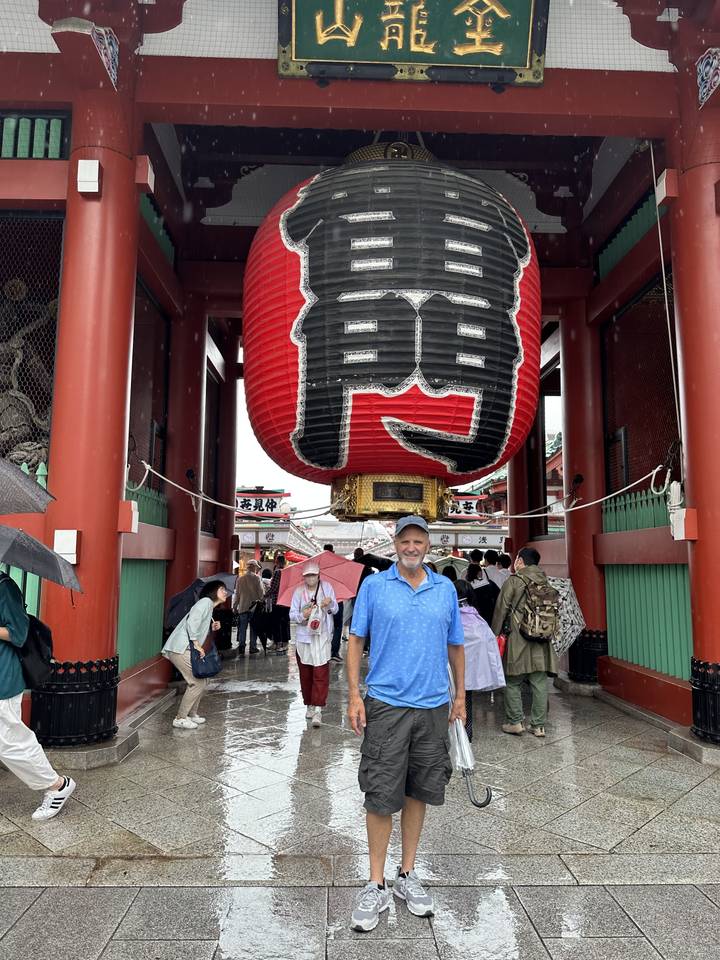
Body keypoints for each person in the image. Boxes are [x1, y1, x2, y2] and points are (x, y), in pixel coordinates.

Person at [346, 515, 465, 932]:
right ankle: (375, 882)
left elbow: (455, 645)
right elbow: (356, 640)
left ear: (428, 546)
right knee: (380, 791)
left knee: (420, 789)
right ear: (394, 544)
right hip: (386, 704)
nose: (412, 547)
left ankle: (406, 875)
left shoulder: (444, 589)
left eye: (419, 541)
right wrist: (355, 695)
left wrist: (461, 697)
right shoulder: (375, 587)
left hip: (434, 706)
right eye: (405, 541)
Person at [0, 572, 77, 821]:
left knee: (10, 740)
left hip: (3, 677)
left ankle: (57, 785)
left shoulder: (5, 587)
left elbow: (19, 634)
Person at [491, 546, 558, 739]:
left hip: (518, 637)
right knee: (539, 681)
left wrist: (494, 634)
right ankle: (538, 726)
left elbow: (501, 609)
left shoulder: (515, 580)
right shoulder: (546, 581)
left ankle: (515, 722)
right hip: (542, 638)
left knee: (513, 681)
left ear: (519, 560)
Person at [162, 579, 228, 729]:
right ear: (213, 591)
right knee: (196, 682)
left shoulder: (209, 607)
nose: (225, 592)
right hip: (180, 648)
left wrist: (212, 627)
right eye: (222, 589)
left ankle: (192, 714)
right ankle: (180, 718)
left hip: (185, 647)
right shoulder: (205, 602)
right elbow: (192, 623)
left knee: (202, 680)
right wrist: (196, 644)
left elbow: (198, 626)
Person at [290, 560, 338, 727]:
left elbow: (335, 610)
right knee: (306, 673)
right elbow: (292, 614)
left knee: (321, 672)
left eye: (313, 575)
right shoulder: (298, 592)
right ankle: (309, 704)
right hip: (304, 638)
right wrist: (303, 615)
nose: (310, 578)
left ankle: (318, 709)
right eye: (307, 575)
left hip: (322, 637)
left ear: (319, 575)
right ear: (303, 577)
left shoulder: (327, 588)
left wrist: (329, 604)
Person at [233, 560, 264, 656]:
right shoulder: (257, 578)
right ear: (254, 567)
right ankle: (253, 647)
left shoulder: (240, 579)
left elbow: (237, 595)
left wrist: (235, 606)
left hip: (242, 607)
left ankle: (242, 646)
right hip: (254, 608)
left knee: (242, 628)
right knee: (253, 628)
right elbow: (261, 594)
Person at [323, 543, 344, 663]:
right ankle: (334, 652)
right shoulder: (338, 564)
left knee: (324, 624)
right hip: (337, 598)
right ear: (333, 551)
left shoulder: (319, 564)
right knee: (337, 626)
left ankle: (324, 650)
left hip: (323, 600)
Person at [266, 554, 290, 655]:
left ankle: (277, 644)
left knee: (276, 623)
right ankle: (285, 643)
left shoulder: (277, 572)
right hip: (286, 602)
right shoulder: (288, 571)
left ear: (277, 562)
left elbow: (274, 587)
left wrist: (266, 594)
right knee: (285, 623)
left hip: (277, 601)